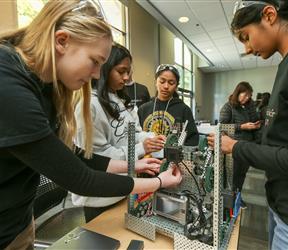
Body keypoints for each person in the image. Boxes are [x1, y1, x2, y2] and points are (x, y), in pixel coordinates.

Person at [0, 1, 181, 249]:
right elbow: (80, 179)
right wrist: (159, 182)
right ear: (62, 41)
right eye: (95, 61)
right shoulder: (7, 84)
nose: (97, 74)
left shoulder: (45, 86)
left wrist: (133, 164)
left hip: (17, 223)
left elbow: (76, 156)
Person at [220, 0, 288, 249]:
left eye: (246, 37)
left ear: (269, 15)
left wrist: (237, 148)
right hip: (284, 206)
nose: (248, 48)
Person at [73, 43, 166, 222]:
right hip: (100, 198)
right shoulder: (89, 106)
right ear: (105, 68)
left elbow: (131, 133)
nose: (126, 78)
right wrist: (140, 148)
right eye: (121, 71)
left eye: (128, 72)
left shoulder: (118, 99)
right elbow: (98, 157)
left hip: (122, 189)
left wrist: (151, 138)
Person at [219, 81, 260, 208]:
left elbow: (254, 119)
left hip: (246, 146)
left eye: (249, 96)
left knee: (242, 175)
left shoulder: (249, 106)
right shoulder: (228, 107)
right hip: (233, 148)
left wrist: (255, 123)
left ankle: (238, 198)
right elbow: (222, 126)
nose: (247, 98)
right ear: (238, 92)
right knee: (233, 176)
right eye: (245, 95)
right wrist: (242, 126)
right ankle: (230, 201)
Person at [138, 64, 199, 146]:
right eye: (162, 81)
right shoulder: (143, 109)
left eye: (171, 83)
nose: (166, 86)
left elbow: (193, 140)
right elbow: (136, 137)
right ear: (156, 81)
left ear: (176, 85)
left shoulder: (184, 110)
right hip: (147, 157)